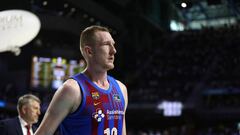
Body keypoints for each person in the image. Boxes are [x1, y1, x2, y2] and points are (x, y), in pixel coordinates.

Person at [34, 25, 128, 135]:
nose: (114, 50)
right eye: (106, 44)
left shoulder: (121, 89)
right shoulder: (72, 89)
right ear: (89, 51)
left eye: (113, 45)